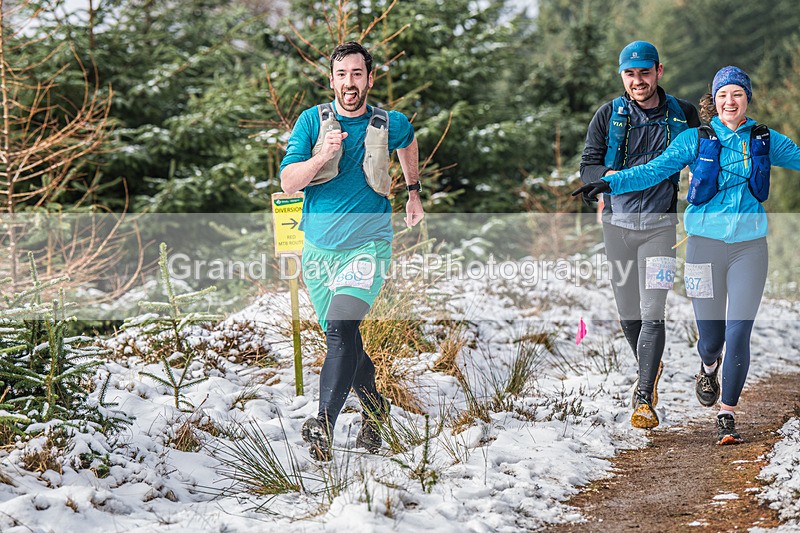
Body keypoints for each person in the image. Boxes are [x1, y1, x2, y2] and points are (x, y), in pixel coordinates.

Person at [574, 65, 800, 444]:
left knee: (739, 329)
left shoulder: (764, 138)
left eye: (738, 94)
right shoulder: (695, 139)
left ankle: (727, 413)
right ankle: (708, 366)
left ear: (747, 99)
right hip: (702, 248)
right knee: (712, 337)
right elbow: (653, 170)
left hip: (750, 248)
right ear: (714, 101)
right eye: (723, 95)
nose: (731, 101)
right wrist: (609, 181)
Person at [280, 41, 424, 460]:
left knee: (341, 329)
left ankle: (322, 424)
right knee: (345, 339)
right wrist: (323, 154)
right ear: (332, 80)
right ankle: (376, 409)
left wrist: (413, 192)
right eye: (342, 75)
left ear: (370, 79)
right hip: (318, 251)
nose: (350, 83)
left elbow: (409, 140)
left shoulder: (387, 122)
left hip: (369, 245)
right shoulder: (312, 122)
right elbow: (290, 182)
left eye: (357, 74)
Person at [577, 41, 700, 430]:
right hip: (617, 227)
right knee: (628, 315)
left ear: (659, 71)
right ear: (622, 76)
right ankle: (652, 365)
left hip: (661, 230)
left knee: (652, 312)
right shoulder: (608, 116)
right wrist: (603, 182)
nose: (637, 81)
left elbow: (708, 162)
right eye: (630, 74)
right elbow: (587, 168)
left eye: (644, 73)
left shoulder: (683, 115)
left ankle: (644, 394)